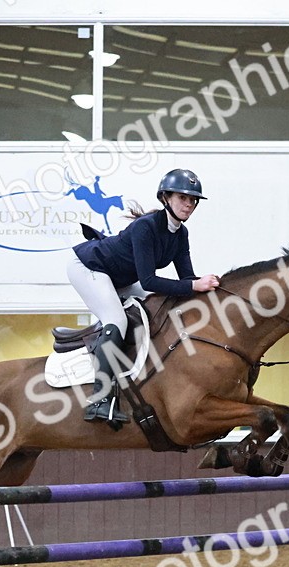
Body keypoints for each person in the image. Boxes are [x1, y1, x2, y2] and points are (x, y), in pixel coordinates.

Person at [68, 168, 221, 426]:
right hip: (89, 267)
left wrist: (208, 289)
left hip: (120, 277)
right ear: (166, 197)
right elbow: (149, 281)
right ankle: (99, 400)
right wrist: (195, 285)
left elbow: (187, 280)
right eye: (183, 197)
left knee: (156, 307)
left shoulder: (181, 234)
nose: (189, 204)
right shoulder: (145, 228)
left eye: (193, 199)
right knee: (116, 320)